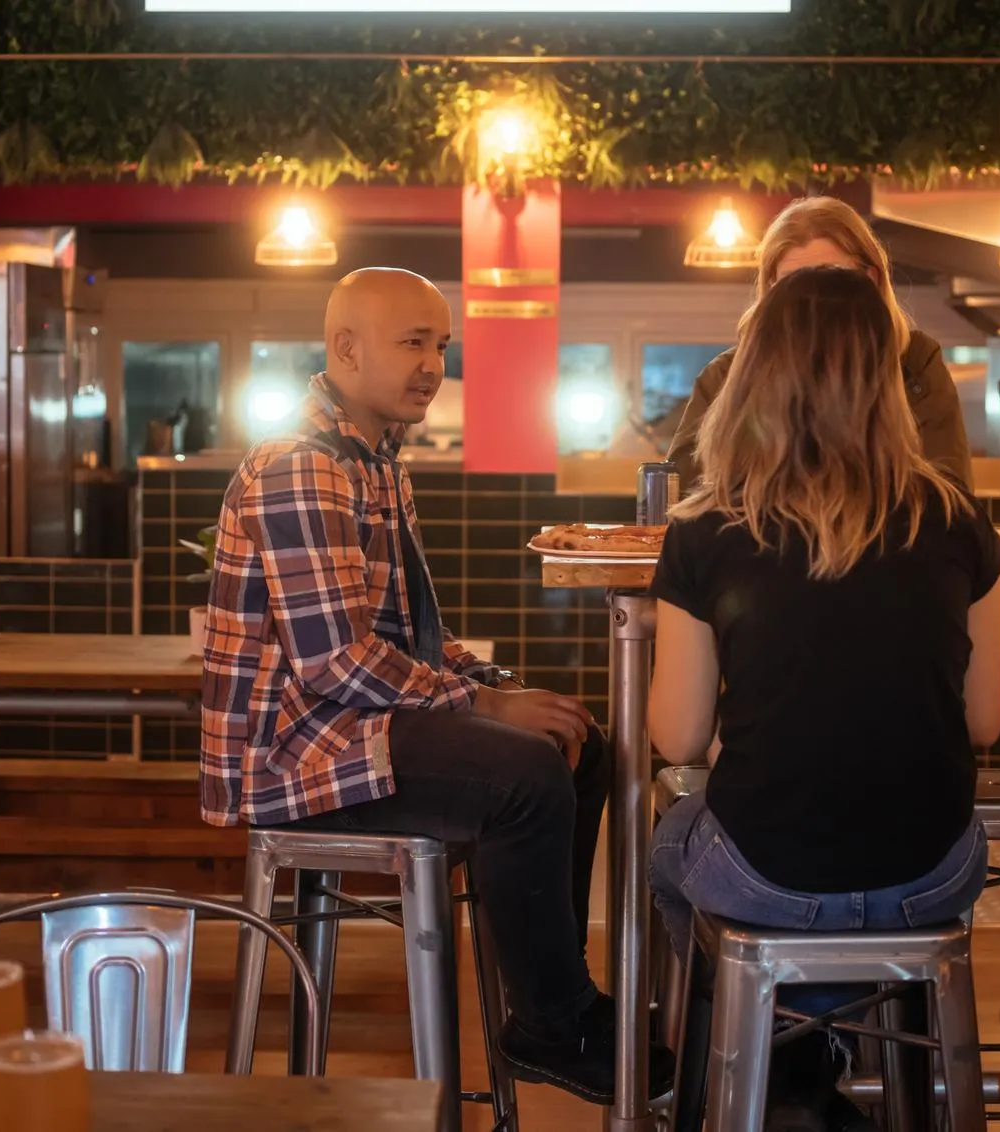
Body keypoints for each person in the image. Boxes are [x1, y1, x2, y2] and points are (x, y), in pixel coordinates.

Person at [201, 266, 674, 1105]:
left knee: (578, 742)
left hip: (352, 730)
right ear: (346, 348)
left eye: (441, 347)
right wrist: (486, 705)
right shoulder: (304, 466)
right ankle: (552, 1022)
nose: (432, 366)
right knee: (527, 777)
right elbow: (335, 662)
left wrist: (505, 688)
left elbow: (413, 640)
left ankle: (556, 999)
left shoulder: (376, 463)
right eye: (412, 343)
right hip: (294, 758)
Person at [648, 266, 1000, 1130]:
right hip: (930, 876)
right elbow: (984, 721)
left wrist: (744, 731)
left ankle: (762, 1061)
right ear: (887, 382)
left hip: (768, 879)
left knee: (669, 845)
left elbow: (677, 738)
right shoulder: (958, 520)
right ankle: (822, 1053)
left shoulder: (704, 529)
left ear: (755, 376)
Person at [668, 195, 973, 492]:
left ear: (872, 278)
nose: (813, 300)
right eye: (793, 284)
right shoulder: (727, 375)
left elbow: (950, 492)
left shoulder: (914, 362)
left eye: (833, 280)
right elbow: (681, 491)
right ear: (770, 289)